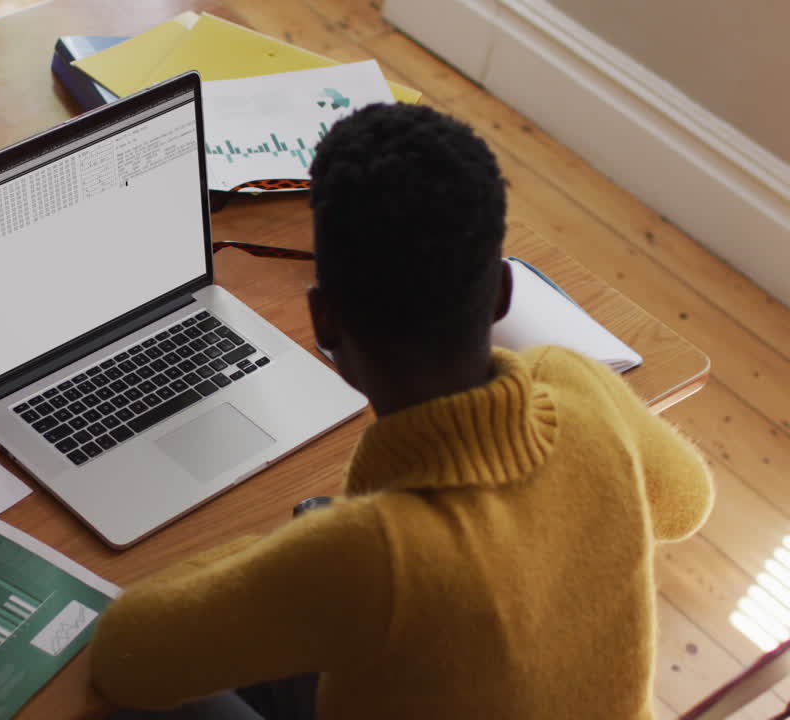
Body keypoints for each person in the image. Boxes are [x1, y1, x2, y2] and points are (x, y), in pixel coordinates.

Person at [87, 103, 714, 719]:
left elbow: (125, 655)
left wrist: (291, 551)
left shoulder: (367, 556)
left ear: (324, 320)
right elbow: (687, 504)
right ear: (500, 291)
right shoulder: (578, 384)